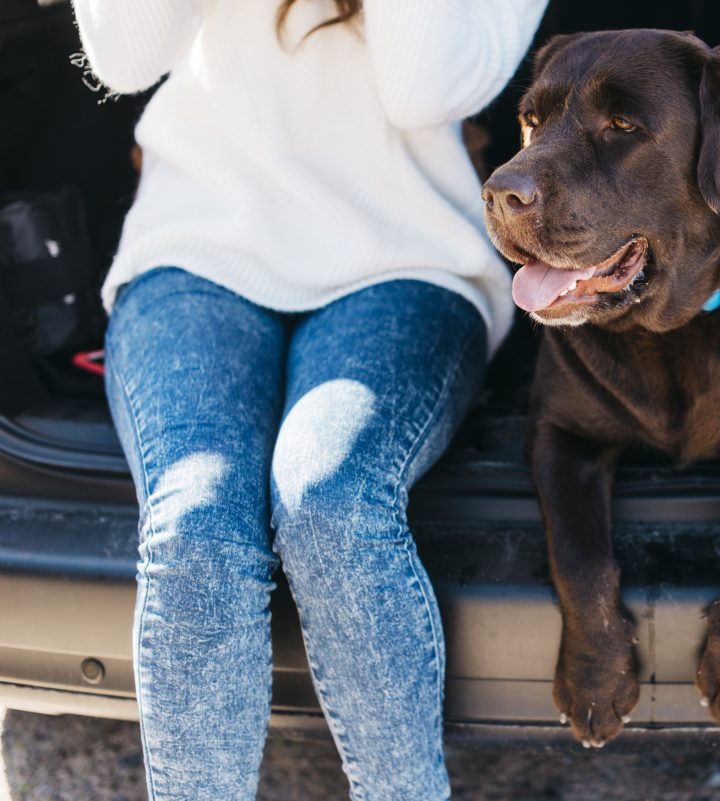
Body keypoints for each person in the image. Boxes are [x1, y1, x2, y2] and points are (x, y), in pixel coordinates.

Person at [71, 0, 547, 798]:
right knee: (195, 523)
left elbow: (422, 87)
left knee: (327, 498)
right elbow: (124, 56)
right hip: (195, 246)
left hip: (407, 258)